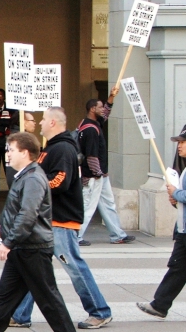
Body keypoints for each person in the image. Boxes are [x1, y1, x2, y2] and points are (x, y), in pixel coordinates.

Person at [10, 107, 112, 330]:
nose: (40, 123)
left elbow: (60, 181)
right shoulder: (53, 148)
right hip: (50, 218)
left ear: (53, 123)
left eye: (44, 119)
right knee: (35, 267)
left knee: (73, 265)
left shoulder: (63, 148)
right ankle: (20, 314)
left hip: (61, 219)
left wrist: (37, 187)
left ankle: (99, 310)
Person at [0, 132, 74, 332]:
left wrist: (8, 242)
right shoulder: (25, 176)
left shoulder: (33, 178)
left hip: (32, 249)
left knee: (49, 300)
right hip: (23, 248)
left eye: (11, 150)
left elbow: (28, 215)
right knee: (4, 299)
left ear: (25, 153)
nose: (7, 154)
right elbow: (20, 212)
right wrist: (4, 229)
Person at [137, 125, 186, 320]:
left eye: (182, 142)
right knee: (177, 268)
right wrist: (176, 200)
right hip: (183, 230)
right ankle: (160, 304)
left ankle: (160, 304)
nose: (179, 146)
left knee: (178, 268)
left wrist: (177, 193)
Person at [77, 87, 135, 246]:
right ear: (92, 109)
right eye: (100, 107)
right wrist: (97, 173)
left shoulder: (89, 123)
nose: (103, 109)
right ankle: (76, 236)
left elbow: (105, 115)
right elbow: (91, 155)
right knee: (87, 206)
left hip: (99, 175)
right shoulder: (90, 130)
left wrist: (111, 97)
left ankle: (117, 234)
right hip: (94, 176)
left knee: (108, 204)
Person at [5, 111, 36, 188]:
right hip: (22, 180)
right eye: (32, 121)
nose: (35, 123)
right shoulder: (22, 140)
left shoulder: (12, 137)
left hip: (13, 178)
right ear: (24, 122)